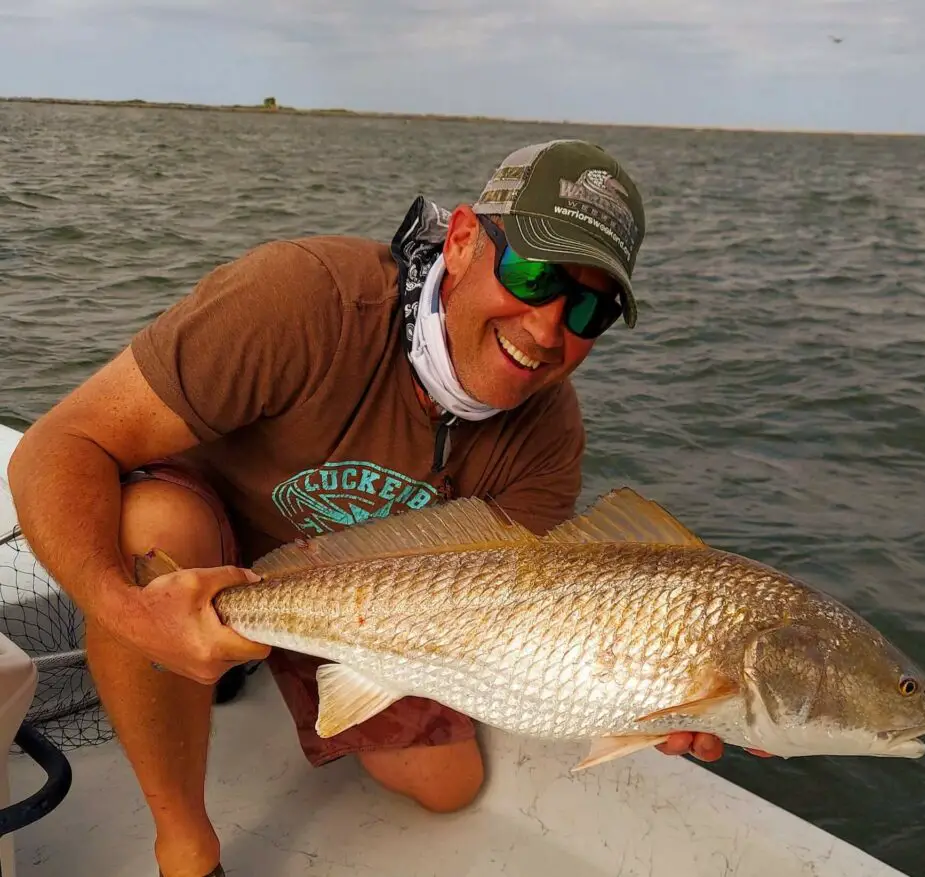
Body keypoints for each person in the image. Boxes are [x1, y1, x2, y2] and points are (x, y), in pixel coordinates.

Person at [7, 139, 758, 877]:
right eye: (533, 274)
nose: (547, 327)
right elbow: (57, 445)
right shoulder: (302, 299)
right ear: (463, 238)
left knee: (446, 784)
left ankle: (252, 649)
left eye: (589, 308)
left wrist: (643, 690)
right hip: (201, 533)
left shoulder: (548, 437)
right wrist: (125, 609)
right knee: (151, 536)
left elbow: (507, 619)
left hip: (364, 597)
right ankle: (185, 842)